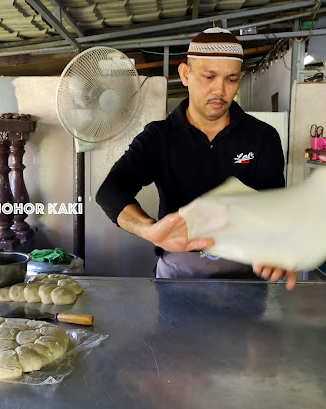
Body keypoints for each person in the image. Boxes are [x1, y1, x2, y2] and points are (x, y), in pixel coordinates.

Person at [96, 27, 296, 288]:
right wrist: (150, 230)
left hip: (244, 274)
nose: (220, 91)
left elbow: (273, 203)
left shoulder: (262, 136)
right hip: (178, 271)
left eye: (231, 79)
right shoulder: (160, 137)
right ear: (185, 74)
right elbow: (111, 191)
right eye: (209, 76)